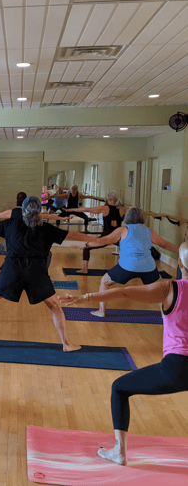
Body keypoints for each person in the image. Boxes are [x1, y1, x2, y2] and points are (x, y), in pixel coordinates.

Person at [59, 241, 188, 466]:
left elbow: (126, 292)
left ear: (179, 262)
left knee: (119, 388)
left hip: (176, 368)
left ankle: (119, 452)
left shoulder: (170, 288)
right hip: (177, 367)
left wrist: (85, 298)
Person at [0, 197, 101, 352]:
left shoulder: (11, 224)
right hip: (37, 273)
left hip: (11, 271)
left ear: (22, 210)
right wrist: (97, 239)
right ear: (39, 212)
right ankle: (66, 344)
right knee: (54, 305)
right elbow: (73, 235)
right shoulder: (47, 228)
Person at [75, 207, 179, 317]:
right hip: (148, 267)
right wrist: (180, 249)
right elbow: (164, 244)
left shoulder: (123, 230)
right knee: (159, 290)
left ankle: (102, 311)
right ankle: (165, 316)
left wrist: (86, 245)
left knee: (104, 281)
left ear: (127, 217)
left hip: (128, 266)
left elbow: (103, 241)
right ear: (141, 218)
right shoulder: (149, 231)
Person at [0, 192, 70, 281]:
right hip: (32, 247)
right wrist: (63, 218)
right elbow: (48, 216)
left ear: (16, 200)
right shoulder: (33, 213)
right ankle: (43, 277)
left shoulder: (11, 212)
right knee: (48, 254)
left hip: (14, 247)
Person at [67, 191, 129, 274]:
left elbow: (87, 209)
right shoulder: (123, 209)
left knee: (86, 248)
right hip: (117, 238)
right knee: (130, 250)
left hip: (105, 238)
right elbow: (136, 213)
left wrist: (71, 209)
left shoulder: (105, 208)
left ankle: (84, 269)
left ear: (109, 199)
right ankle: (130, 269)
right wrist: (150, 214)